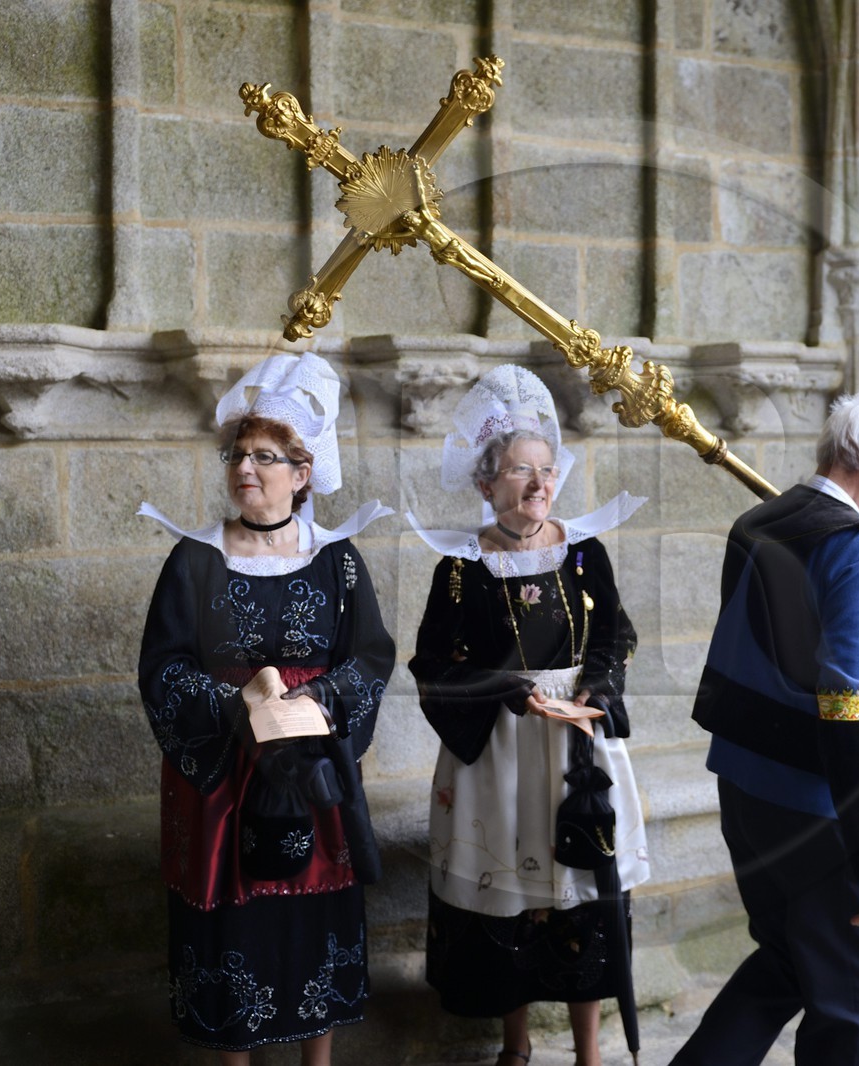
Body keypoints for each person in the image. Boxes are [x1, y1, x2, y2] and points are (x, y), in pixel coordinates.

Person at [136, 352, 395, 1064]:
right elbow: (161, 667)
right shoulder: (194, 560)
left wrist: (318, 702)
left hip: (313, 767)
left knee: (318, 911)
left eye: (265, 456)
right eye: (237, 454)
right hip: (224, 774)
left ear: (302, 473)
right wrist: (232, 704)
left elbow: (370, 657)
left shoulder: (338, 560)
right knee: (231, 927)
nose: (245, 468)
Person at [672, 388, 859, 1066]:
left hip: (744, 790)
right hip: (820, 812)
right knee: (856, 1003)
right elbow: (851, 715)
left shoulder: (758, 521)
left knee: (786, 959)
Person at [407, 365, 650, 1066]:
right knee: (511, 895)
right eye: (520, 472)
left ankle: (588, 1051)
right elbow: (432, 664)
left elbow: (615, 635)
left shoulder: (584, 553)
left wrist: (598, 691)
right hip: (501, 751)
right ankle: (515, 1046)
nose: (539, 485)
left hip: (576, 742)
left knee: (583, 892)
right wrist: (502, 690)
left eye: (547, 470)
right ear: (486, 485)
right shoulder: (459, 569)